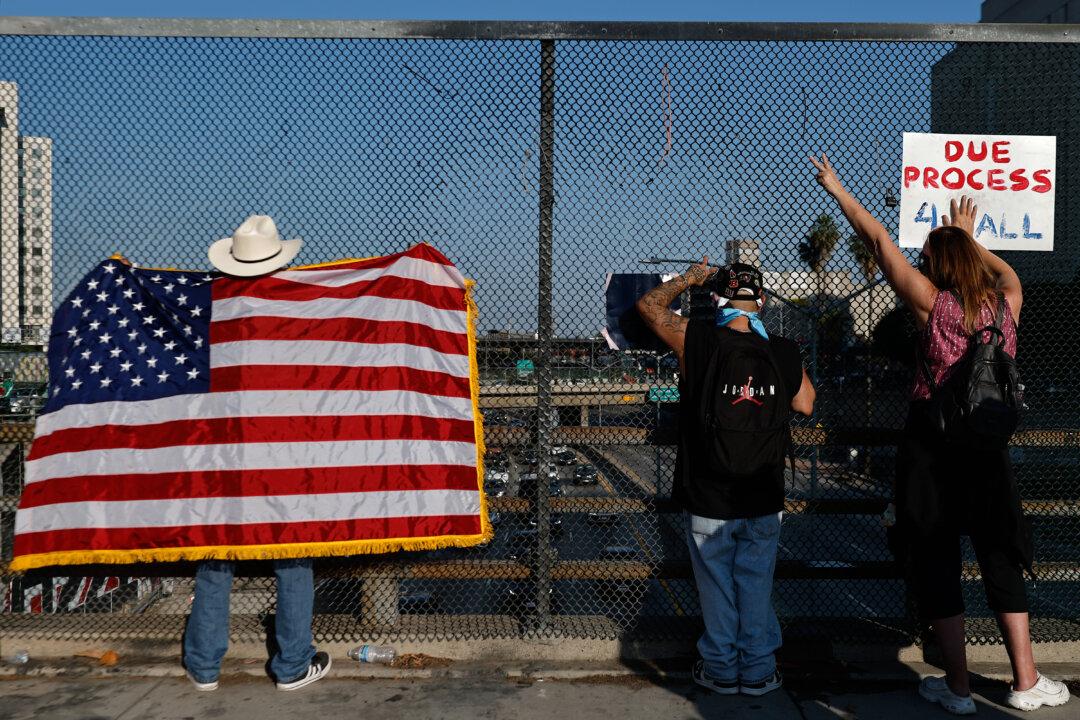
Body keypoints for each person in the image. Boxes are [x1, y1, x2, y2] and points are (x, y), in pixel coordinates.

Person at [810, 154, 1070, 714]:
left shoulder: (934, 305)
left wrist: (838, 189)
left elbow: (877, 239)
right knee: (1000, 556)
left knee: (937, 559)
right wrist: (969, 239)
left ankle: (957, 688)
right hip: (986, 452)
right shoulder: (1006, 309)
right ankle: (1025, 682)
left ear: (938, 267)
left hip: (931, 451)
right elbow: (1009, 277)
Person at [636, 261, 815, 696]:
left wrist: (691, 277)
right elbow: (806, 404)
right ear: (764, 302)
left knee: (715, 584)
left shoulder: (696, 340)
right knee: (755, 582)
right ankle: (757, 669)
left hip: (708, 491)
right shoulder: (784, 350)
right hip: (761, 490)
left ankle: (719, 666)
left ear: (718, 299)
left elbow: (648, 305)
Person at [183, 216, 331, 692]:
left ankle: (203, 667)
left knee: (215, 556)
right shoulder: (298, 304)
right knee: (293, 555)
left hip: (221, 456)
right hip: (281, 454)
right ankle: (291, 664)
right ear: (278, 256)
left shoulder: (209, 303)